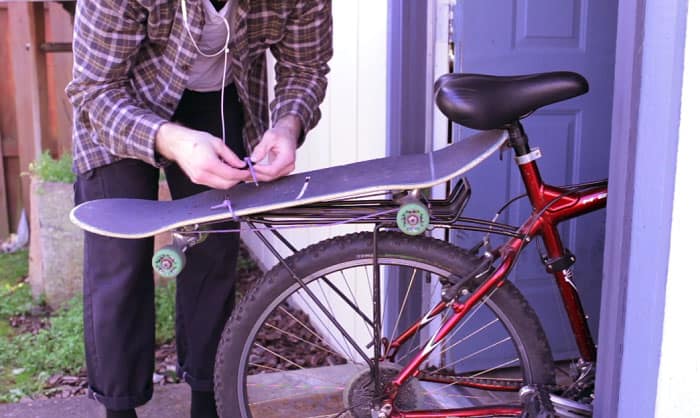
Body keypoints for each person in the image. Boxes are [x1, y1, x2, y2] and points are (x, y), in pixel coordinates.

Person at [65, 1, 332, 417]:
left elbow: (306, 68)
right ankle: (119, 409)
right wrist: (174, 140)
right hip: (121, 103)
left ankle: (209, 400)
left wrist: (287, 125)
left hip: (217, 99)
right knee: (118, 259)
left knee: (212, 252)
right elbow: (94, 91)